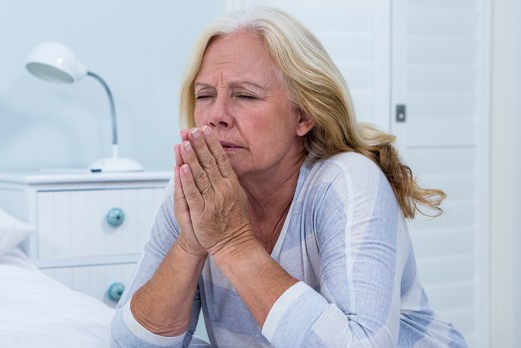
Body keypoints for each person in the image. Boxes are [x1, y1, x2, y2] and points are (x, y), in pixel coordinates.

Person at [111, 6, 468, 348]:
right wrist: (190, 246)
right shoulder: (199, 190)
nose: (216, 115)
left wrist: (232, 243)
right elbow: (127, 343)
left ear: (304, 116)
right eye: (205, 95)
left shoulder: (346, 182)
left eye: (245, 95)